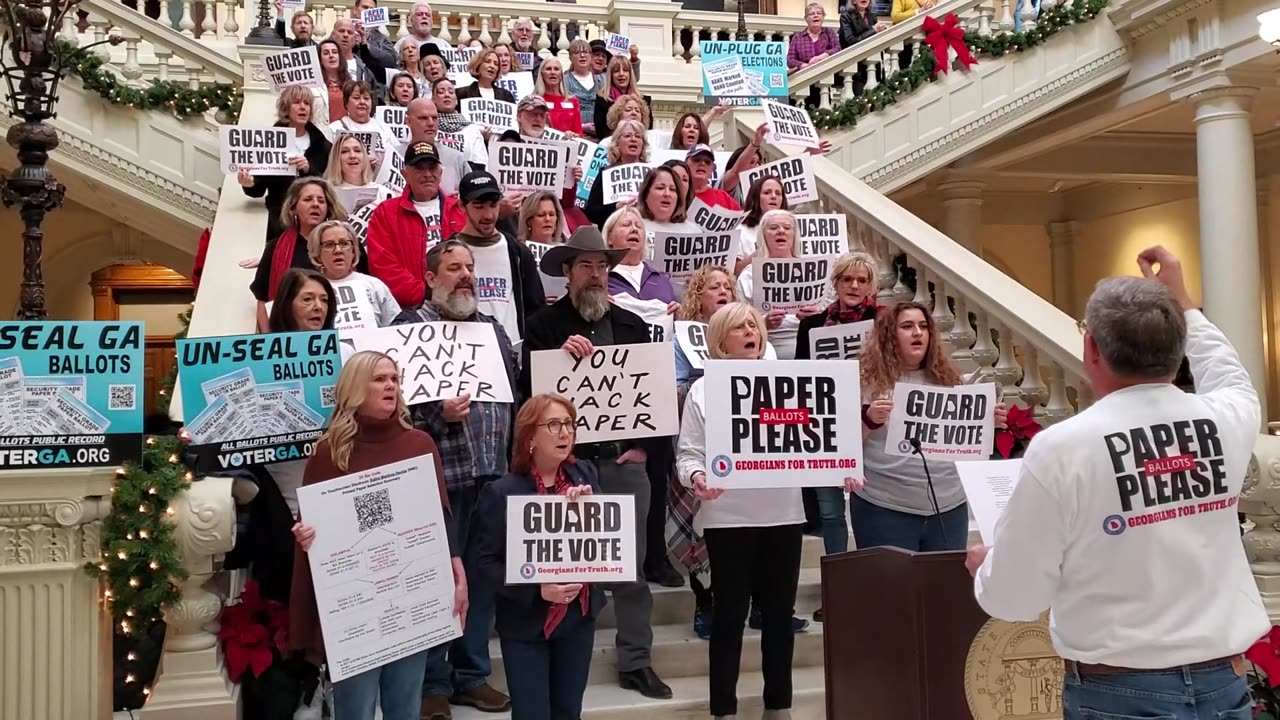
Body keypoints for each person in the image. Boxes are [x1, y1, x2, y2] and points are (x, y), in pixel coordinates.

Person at [967, 246, 1265, 720]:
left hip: (1117, 691)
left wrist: (987, 565)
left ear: (1092, 350)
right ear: (1178, 346)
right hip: (1223, 683)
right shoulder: (1226, 420)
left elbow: (1015, 598)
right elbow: (1228, 373)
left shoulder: (1062, 448)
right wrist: (1183, 302)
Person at [678, 302, 858, 720]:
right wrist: (697, 478)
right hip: (727, 518)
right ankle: (723, 709)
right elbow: (688, 453)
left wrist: (845, 464)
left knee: (779, 616)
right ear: (721, 341)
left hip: (783, 514)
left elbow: (822, 434)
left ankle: (778, 705)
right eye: (740, 327)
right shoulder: (703, 390)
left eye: (754, 326)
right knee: (729, 616)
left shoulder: (792, 383)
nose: (751, 332)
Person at [519, 226, 673, 700]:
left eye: (602, 266)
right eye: (586, 265)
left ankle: (636, 661)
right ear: (566, 272)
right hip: (572, 469)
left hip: (625, 465)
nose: (596, 274)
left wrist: (646, 449)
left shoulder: (631, 324)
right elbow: (529, 397)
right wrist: (557, 359)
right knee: (567, 568)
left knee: (630, 572)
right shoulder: (544, 326)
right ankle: (561, 657)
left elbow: (653, 394)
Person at [288, 350, 465, 720]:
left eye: (394, 379)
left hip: (410, 597)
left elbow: (440, 519)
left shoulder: (420, 445)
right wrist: (306, 536)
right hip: (356, 608)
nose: (390, 385)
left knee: (405, 707)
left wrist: (456, 572)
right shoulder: (328, 453)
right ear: (355, 388)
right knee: (356, 710)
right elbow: (311, 532)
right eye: (379, 379)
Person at [393, 240, 515, 717]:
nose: (466, 275)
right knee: (435, 580)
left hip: (492, 476)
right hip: (437, 480)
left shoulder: (493, 330)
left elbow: (514, 393)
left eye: (470, 267)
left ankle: (471, 675)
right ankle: (431, 684)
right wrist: (438, 414)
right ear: (429, 277)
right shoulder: (407, 330)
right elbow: (394, 412)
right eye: (453, 268)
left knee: (482, 584)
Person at [474, 394, 604, 720]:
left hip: (578, 617)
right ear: (530, 436)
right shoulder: (502, 492)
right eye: (554, 425)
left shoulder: (584, 476)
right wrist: (537, 589)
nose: (565, 433)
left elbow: (605, 544)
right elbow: (486, 565)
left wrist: (590, 510)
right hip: (526, 624)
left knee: (568, 712)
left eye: (570, 424)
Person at [856, 301, 1008, 551]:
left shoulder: (953, 381)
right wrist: (869, 419)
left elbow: (967, 439)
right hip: (885, 508)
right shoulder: (865, 382)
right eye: (907, 326)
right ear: (889, 335)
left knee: (942, 589)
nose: (918, 332)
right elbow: (841, 448)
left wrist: (990, 423)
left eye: (923, 326)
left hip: (948, 508)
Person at [603, 207, 684, 589]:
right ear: (610, 239)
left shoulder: (662, 280)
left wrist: (677, 316)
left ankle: (656, 556)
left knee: (659, 474)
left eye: (639, 225)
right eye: (625, 225)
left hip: (658, 390)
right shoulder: (603, 281)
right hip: (616, 392)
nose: (634, 229)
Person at [794, 251, 878, 621]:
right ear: (836, 283)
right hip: (824, 422)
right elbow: (799, 374)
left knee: (870, 509)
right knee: (830, 514)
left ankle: (870, 586)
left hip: (872, 424)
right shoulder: (811, 325)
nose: (854, 286)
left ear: (871, 286)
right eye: (848, 279)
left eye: (862, 280)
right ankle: (837, 591)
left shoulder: (883, 322)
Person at [447, 171, 547, 345]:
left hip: (512, 355)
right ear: (462, 206)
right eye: (479, 206)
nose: (488, 215)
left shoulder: (518, 252)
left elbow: (536, 310)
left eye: (493, 205)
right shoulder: (446, 253)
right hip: (464, 353)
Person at [365, 141, 465, 307]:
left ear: (441, 172)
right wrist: (428, 294)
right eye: (419, 168)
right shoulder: (385, 213)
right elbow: (383, 266)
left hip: (459, 305)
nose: (427, 174)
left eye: (432, 168)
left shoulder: (459, 209)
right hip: (412, 311)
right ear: (405, 173)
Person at [250, 178, 347, 332]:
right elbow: (262, 300)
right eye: (308, 199)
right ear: (293, 207)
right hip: (289, 338)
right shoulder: (275, 248)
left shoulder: (347, 245)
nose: (315, 204)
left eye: (321, 200)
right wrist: (270, 340)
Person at [238, 87, 332, 242]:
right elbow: (258, 188)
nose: (303, 107)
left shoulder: (323, 145)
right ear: (286, 108)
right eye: (296, 102)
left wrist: (309, 169)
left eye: (307, 103)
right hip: (279, 220)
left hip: (313, 222)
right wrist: (249, 183)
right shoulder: (269, 141)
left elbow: (329, 183)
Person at [735, 209, 821, 360]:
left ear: (794, 235)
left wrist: (815, 318)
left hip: (810, 341)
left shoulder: (812, 270)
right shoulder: (749, 275)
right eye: (773, 228)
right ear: (763, 235)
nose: (781, 231)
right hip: (766, 345)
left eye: (787, 228)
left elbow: (830, 315)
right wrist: (764, 322)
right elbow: (738, 321)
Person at [308, 220, 399, 331]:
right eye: (329, 245)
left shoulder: (374, 285)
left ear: (353, 251)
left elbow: (397, 326)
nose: (338, 250)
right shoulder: (309, 289)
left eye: (344, 243)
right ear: (317, 253)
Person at [583, 119, 649, 228]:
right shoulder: (606, 173)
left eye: (638, 136)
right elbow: (592, 212)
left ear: (643, 144)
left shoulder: (651, 174)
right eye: (627, 136)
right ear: (617, 143)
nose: (633, 139)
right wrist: (615, 207)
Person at [406, 96, 476, 194]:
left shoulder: (456, 158)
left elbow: (473, 194)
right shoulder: (394, 154)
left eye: (434, 118)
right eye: (423, 118)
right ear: (408, 121)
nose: (431, 123)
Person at [328, 81, 398, 167]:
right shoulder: (334, 129)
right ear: (346, 103)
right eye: (356, 98)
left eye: (366, 98)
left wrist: (381, 164)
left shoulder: (384, 128)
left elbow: (396, 158)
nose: (362, 102)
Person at [426, 80, 489, 171]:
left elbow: (481, 163)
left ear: (456, 100)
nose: (447, 95)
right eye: (441, 92)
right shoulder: (427, 127)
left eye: (451, 92)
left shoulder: (471, 130)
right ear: (433, 99)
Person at [735, 174, 788, 273]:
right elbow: (734, 272)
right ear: (756, 197)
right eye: (767, 192)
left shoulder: (791, 230)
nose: (773, 196)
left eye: (778, 193)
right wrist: (762, 252)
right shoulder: (741, 230)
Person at [637, 164, 700, 247]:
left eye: (673, 189)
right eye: (660, 188)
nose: (667, 194)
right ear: (646, 194)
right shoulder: (634, 227)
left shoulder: (694, 232)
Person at [330, 18, 391, 98]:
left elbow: (375, 97)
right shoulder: (322, 63)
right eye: (341, 31)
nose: (345, 35)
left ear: (355, 38)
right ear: (333, 35)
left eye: (350, 32)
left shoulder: (364, 70)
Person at [593, 56, 650, 140]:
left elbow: (648, 131)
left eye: (625, 70)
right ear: (611, 75)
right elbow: (602, 134)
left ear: (631, 74)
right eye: (616, 71)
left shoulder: (644, 100)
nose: (621, 74)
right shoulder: (602, 100)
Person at [323, 134, 381, 212]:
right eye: (344, 151)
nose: (352, 156)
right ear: (336, 159)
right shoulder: (327, 194)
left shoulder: (382, 192)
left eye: (357, 151)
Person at [563, 39, 603, 137]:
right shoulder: (564, 80)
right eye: (577, 52)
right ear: (570, 57)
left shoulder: (602, 79)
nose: (582, 55)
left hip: (599, 134)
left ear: (590, 56)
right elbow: (562, 110)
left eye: (585, 52)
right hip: (574, 134)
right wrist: (582, 126)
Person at [788, 2, 841, 73]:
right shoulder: (797, 37)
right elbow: (790, 60)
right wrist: (804, 66)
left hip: (828, 74)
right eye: (812, 14)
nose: (816, 16)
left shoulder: (829, 32)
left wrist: (822, 56)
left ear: (823, 17)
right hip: (805, 75)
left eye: (819, 13)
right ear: (806, 18)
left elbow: (837, 48)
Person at [535, 59, 583, 136]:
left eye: (556, 69)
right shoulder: (534, 100)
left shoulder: (573, 101)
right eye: (548, 69)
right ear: (542, 74)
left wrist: (573, 135)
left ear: (561, 75)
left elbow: (579, 133)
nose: (553, 72)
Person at [686, 144, 739, 211]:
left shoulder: (724, 198)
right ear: (685, 164)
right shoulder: (676, 196)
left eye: (707, 162)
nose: (702, 163)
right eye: (697, 160)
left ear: (712, 169)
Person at [349, 0, 398, 69]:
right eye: (365, 7)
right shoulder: (344, 30)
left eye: (372, 9)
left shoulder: (381, 38)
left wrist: (366, 44)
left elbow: (392, 61)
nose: (368, 11)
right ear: (355, 11)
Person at [317, 39, 351, 123]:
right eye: (326, 53)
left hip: (344, 132)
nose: (331, 55)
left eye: (334, 52)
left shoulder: (350, 83)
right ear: (320, 60)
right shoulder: (315, 85)